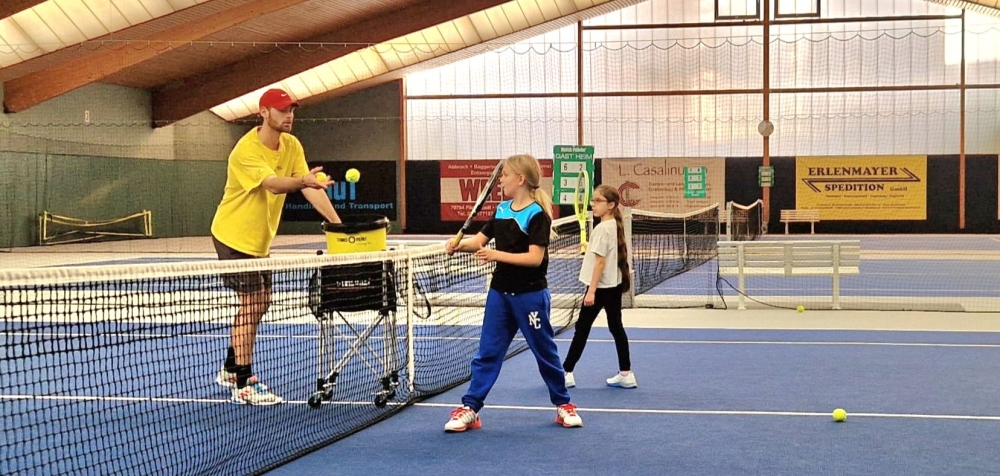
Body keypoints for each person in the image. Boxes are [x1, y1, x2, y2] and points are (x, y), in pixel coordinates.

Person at [211, 88, 342, 405]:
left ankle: (231, 367)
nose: (289, 116)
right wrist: (302, 182)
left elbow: (310, 188)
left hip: (258, 242)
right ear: (264, 112)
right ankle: (243, 381)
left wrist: (339, 228)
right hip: (232, 236)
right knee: (253, 301)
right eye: (283, 110)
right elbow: (272, 184)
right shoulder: (246, 151)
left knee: (262, 301)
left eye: (292, 110)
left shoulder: (292, 145)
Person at [442, 154, 583, 431]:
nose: (501, 180)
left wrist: (496, 255)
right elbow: (479, 242)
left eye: (505, 175)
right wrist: (458, 245)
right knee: (488, 352)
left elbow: (534, 259)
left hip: (530, 295)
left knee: (545, 352)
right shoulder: (502, 210)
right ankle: (470, 408)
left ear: (520, 179)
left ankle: (563, 404)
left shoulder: (537, 216)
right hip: (499, 295)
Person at [562, 184, 636, 389]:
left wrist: (591, 291)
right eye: (593, 201)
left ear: (611, 205)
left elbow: (600, 262)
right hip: (613, 286)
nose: (593, 205)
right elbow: (604, 255)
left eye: (598, 201)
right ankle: (626, 373)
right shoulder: (612, 226)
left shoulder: (603, 228)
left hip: (600, 288)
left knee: (581, 329)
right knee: (616, 327)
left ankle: (566, 372)